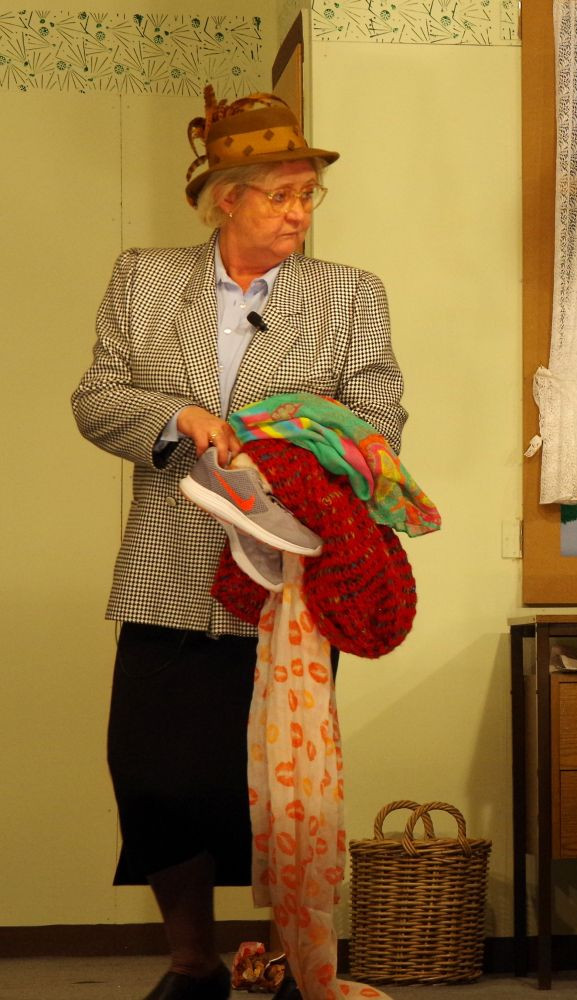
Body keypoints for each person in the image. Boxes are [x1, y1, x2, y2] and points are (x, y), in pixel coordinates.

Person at [71, 88, 406, 1000]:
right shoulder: (144, 279)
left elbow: (381, 419)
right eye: (281, 195)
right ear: (227, 200)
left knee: (283, 789)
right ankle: (193, 964)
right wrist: (181, 416)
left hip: (288, 574)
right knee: (153, 777)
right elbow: (97, 398)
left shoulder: (350, 295)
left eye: (308, 195)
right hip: (166, 563)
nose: (300, 213)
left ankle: (294, 963)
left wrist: (291, 444)